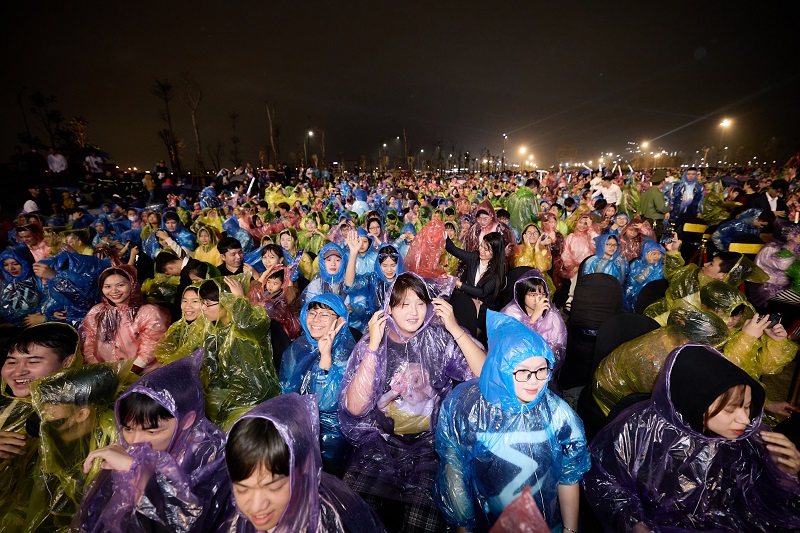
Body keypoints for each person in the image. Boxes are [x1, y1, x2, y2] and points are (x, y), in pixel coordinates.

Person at [584, 344, 800, 532]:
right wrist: (634, 523)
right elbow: (607, 484)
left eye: (747, 406)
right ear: (695, 403)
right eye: (730, 410)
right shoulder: (639, 430)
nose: (745, 419)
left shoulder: (749, 442)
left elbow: (759, 509)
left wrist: (782, 478)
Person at [338, 272, 486, 532]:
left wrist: (454, 328)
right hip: (379, 441)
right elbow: (356, 407)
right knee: (351, 516)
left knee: (423, 523)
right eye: (404, 304)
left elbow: (485, 376)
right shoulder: (376, 341)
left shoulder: (439, 338)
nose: (414, 312)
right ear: (389, 307)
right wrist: (372, 346)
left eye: (420, 302)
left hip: (428, 446)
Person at [434, 311, 589, 532]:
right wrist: (464, 525)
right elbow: (454, 470)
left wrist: (570, 530)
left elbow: (569, 474)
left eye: (541, 370)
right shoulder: (468, 407)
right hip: (486, 520)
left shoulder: (557, 413)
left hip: (546, 520)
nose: (534, 381)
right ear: (502, 369)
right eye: (523, 372)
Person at [75, 351, 232, 532]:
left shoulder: (214, 460)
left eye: (152, 431)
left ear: (187, 420)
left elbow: (186, 524)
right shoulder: (122, 452)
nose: (135, 441)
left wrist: (136, 472)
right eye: (128, 429)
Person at [221, 393, 385, 532]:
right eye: (242, 490)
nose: (256, 506)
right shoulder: (233, 519)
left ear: (305, 466)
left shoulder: (333, 520)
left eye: (274, 487)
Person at [279, 294, 356, 476]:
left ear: (339, 320)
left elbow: (326, 402)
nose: (316, 320)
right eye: (312, 313)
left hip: (332, 433)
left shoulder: (347, 352)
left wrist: (326, 356)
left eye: (325, 314)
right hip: (299, 424)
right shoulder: (298, 347)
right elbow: (286, 389)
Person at [196, 276, 279, 430]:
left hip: (253, 397)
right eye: (202, 303)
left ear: (226, 301)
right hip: (223, 396)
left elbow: (246, 323)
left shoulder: (251, 322)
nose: (203, 309)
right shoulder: (213, 329)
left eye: (208, 304)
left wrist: (239, 298)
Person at [79, 265, 170, 375]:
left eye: (120, 285)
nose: (114, 291)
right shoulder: (96, 312)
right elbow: (88, 344)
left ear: (132, 285)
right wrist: (98, 372)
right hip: (106, 376)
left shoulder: (149, 312)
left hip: (142, 377)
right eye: (107, 286)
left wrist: (128, 373)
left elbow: (151, 347)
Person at [500, 269, 567, 370]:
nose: (538, 299)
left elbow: (557, 349)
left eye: (542, 294)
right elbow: (510, 345)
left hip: (543, 368)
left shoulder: (552, 316)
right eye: (533, 295)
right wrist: (533, 320)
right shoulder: (511, 313)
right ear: (522, 295)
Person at [0, 245, 41, 329]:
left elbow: (39, 314)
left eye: (15, 263)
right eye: (5, 265)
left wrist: (12, 325)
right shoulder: (5, 284)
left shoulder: (39, 282)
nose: (11, 268)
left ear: (25, 262)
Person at [623, 239, 666, 312]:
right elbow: (636, 281)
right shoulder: (637, 264)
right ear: (645, 253)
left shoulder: (661, 267)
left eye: (659, 254)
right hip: (637, 299)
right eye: (653, 254)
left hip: (653, 298)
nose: (656, 257)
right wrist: (649, 266)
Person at [301, 242, 347, 307]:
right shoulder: (316, 285)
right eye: (329, 260)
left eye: (337, 260)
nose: (333, 264)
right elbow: (310, 308)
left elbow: (359, 305)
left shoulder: (348, 284)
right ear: (322, 263)